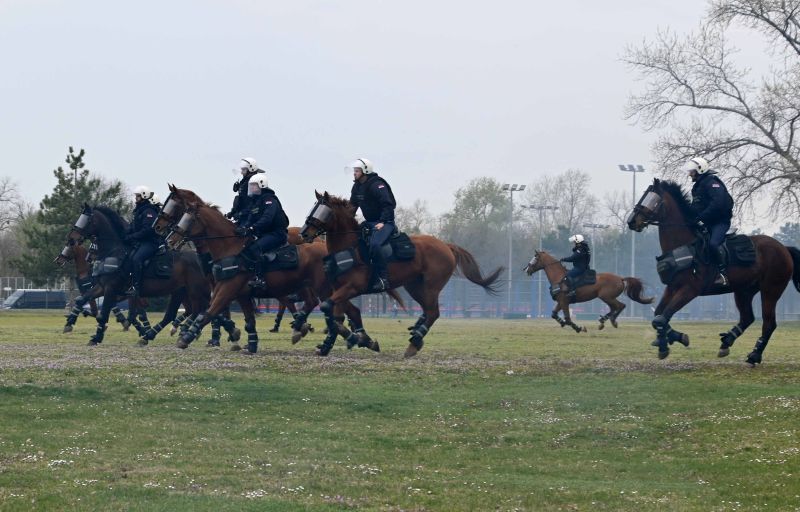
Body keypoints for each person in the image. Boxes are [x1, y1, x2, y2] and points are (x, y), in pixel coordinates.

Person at [347, 157, 396, 292]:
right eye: (354, 171)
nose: (354, 173)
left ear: (365, 171)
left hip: (384, 222)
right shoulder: (356, 187)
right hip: (369, 223)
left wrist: (383, 222)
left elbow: (388, 204)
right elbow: (352, 207)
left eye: (357, 171)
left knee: (375, 244)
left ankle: (383, 279)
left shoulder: (377, 184)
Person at [684, 156, 734, 286]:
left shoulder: (712, 182)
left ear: (700, 170)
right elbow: (697, 207)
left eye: (692, 171)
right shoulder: (697, 186)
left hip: (720, 222)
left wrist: (701, 218)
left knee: (713, 244)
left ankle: (723, 274)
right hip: (706, 222)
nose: (690, 174)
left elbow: (718, 203)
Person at [236, 175, 290, 289]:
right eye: (251, 186)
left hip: (277, 234)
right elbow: (250, 218)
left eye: (254, 186)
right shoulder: (255, 202)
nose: (251, 188)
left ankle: (260, 278)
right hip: (263, 234)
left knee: (255, 248)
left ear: (262, 185)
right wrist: (244, 228)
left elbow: (267, 218)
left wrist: (252, 228)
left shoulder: (269, 200)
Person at [124, 186, 162, 296]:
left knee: (136, 259)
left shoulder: (149, 211)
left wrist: (132, 237)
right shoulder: (139, 210)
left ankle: (136, 287)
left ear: (144, 196)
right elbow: (134, 227)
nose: (136, 198)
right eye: (136, 196)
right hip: (141, 242)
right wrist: (125, 234)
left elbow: (147, 230)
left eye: (138, 196)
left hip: (150, 242)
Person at [227, 157, 265, 223]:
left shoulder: (254, 184)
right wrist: (232, 212)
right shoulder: (245, 182)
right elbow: (241, 200)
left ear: (251, 169)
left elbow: (254, 204)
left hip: (251, 218)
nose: (241, 173)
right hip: (243, 217)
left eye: (244, 170)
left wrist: (241, 213)